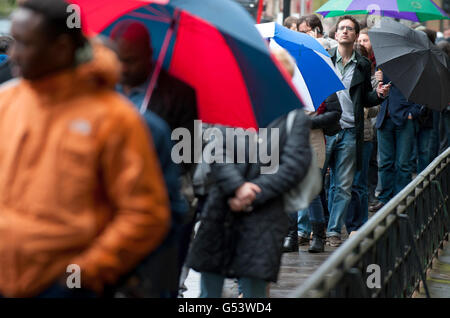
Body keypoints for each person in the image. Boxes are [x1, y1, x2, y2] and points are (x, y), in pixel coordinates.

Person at [0, 0, 170, 298]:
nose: (12, 54)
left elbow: (146, 214)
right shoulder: (7, 101)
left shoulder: (114, 118)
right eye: (14, 42)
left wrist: (84, 272)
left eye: (25, 44)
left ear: (62, 48)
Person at [186, 48, 312, 297]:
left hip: (265, 212)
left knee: (254, 287)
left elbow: (294, 164)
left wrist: (254, 192)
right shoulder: (231, 106)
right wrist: (237, 187)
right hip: (223, 205)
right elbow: (215, 148)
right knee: (209, 287)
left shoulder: (294, 117)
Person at [109, 20, 189, 298]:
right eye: (117, 59)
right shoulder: (102, 89)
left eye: (130, 60)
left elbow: (186, 156)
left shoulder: (179, 94)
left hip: (154, 209)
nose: (123, 68)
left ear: (148, 53)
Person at [324, 16, 389, 246]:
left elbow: (365, 99)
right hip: (327, 129)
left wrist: (379, 94)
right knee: (321, 183)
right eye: (341, 28)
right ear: (335, 34)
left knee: (343, 185)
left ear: (355, 35)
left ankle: (333, 231)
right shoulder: (325, 60)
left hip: (351, 130)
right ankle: (317, 229)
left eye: (349, 29)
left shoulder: (362, 64)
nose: (344, 32)